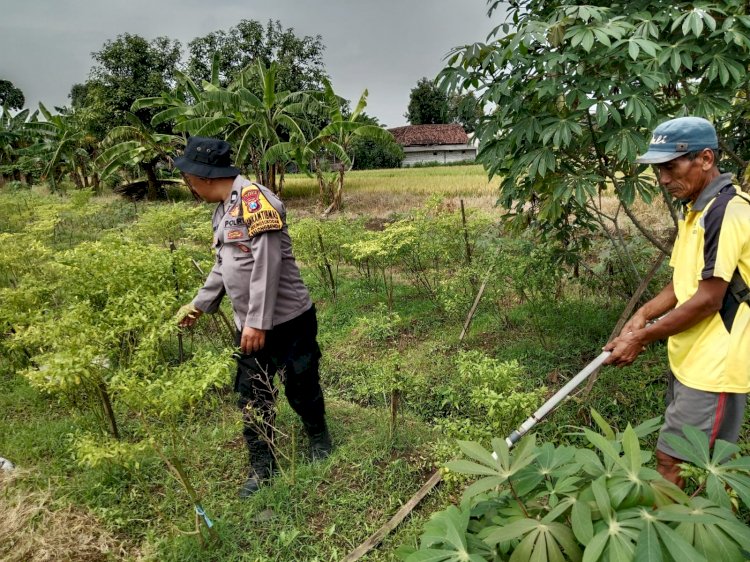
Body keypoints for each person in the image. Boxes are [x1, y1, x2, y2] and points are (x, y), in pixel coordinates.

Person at [174, 136, 332, 498]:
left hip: (289, 321)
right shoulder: (224, 209)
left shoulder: (254, 200)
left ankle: (318, 436)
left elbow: (267, 263)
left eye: (189, 178)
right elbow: (225, 265)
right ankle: (263, 468)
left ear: (204, 176)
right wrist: (199, 304)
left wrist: (257, 322)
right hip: (251, 326)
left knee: (301, 384)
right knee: (252, 396)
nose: (189, 186)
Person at [604, 116, 750, 488]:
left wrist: (641, 338)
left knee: (678, 461)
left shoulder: (726, 211)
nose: (663, 180)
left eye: (671, 166)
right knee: (685, 460)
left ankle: (683, 537)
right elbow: (682, 284)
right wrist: (643, 313)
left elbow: (707, 300)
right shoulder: (696, 210)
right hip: (690, 357)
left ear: (705, 158)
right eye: (658, 170)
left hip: (715, 365)